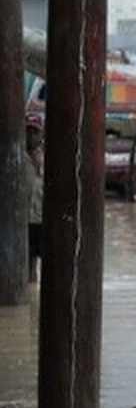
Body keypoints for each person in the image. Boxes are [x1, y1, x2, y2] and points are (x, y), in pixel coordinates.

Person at [25, 114, 44, 284]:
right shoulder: (17, 157)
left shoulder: (49, 157)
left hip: (42, 219)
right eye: (28, 132)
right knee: (28, 263)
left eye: (35, 132)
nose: (31, 136)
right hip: (24, 220)